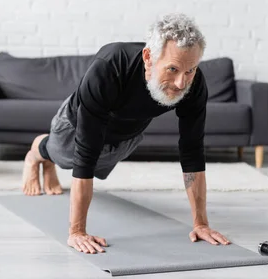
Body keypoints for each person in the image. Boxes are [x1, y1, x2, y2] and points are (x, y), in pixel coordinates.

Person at [21, 13, 232, 254]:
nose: (181, 83)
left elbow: (192, 150)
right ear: (148, 58)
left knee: (95, 164)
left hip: (124, 137)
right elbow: (86, 153)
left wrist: (201, 224)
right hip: (74, 125)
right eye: (172, 69)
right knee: (65, 157)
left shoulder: (193, 84)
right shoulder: (110, 65)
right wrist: (77, 232)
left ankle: (50, 161)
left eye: (190, 70)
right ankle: (38, 154)